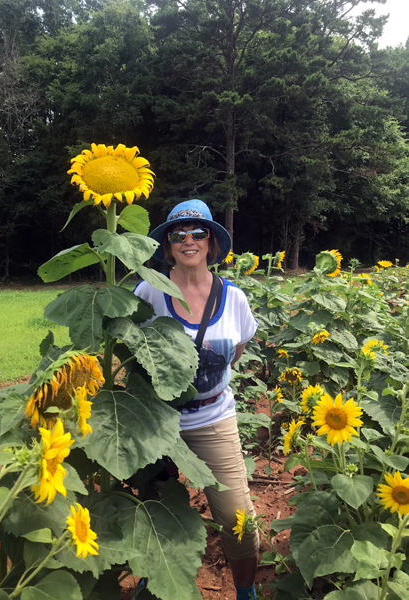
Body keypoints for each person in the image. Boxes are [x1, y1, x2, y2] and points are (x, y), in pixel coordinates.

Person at [134, 199, 259, 600]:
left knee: (237, 515)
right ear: (168, 246)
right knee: (155, 510)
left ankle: (245, 591)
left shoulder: (233, 298)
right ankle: (153, 580)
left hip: (213, 417)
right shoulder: (148, 293)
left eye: (198, 232)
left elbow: (234, 354)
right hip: (159, 420)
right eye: (178, 234)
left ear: (211, 244)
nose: (189, 240)